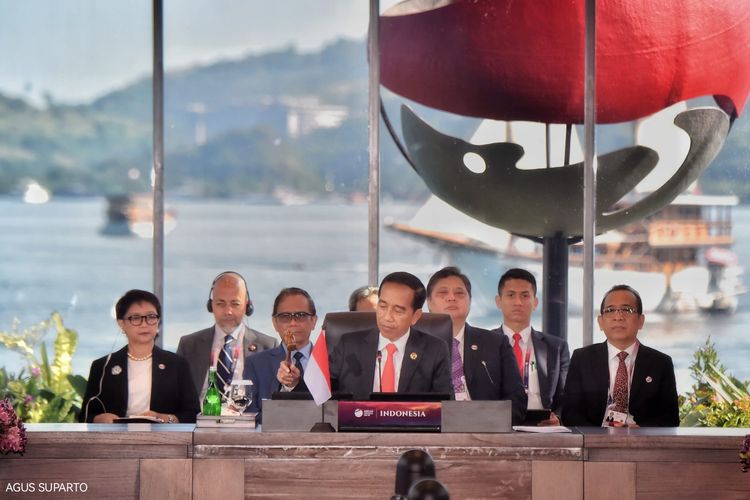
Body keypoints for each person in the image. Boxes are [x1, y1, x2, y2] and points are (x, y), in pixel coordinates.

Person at [562, 285, 679, 427]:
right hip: (595, 444)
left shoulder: (661, 363)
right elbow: (570, 413)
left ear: (641, 320)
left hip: (642, 444)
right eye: (610, 310)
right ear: (600, 321)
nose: (618, 316)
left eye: (627, 310)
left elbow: (670, 419)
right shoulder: (582, 359)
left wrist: (640, 431)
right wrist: (599, 437)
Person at [79, 289, 199, 423]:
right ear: (121, 323)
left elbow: (192, 413)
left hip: (163, 439)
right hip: (115, 439)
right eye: (135, 318)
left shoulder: (177, 364)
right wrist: (99, 419)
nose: (144, 324)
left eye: (151, 317)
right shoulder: (102, 366)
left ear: (158, 322)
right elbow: (85, 416)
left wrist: (165, 418)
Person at [426, 266, 527, 424]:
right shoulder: (418, 345)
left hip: (487, 431)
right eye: (443, 293)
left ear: (470, 301)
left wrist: (489, 423)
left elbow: (517, 399)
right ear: (429, 303)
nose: (452, 298)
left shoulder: (496, 343)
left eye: (460, 293)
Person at [330, 271, 453, 400]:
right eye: (382, 306)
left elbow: (446, 406)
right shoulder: (348, 345)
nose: (387, 317)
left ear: (415, 316)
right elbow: (323, 398)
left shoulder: (434, 349)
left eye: (398, 310)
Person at [177, 271, 277, 398]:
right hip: (200, 417)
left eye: (235, 304)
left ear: (247, 305)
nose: (228, 311)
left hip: (247, 417)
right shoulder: (189, 345)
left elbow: (272, 398)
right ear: (211, 305)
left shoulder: (267, 346)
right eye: (221, 304)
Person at [494, 268, 570, 425]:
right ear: (498, 302)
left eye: (525, 295)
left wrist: (558, 418)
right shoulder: (484, 344)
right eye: (510, 295)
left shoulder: (556, 347)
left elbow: (566, 396)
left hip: (543, 426)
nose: (518, 302)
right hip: (497, 423)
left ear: (535, 302)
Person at [243, 287, 318, 418]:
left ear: (314, 321)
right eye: (285, 317)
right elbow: (250, 415)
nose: (293, 323)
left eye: (301, 316)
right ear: (275, 323)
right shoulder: (255, 364)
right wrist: (285, 387)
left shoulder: (331, 362)